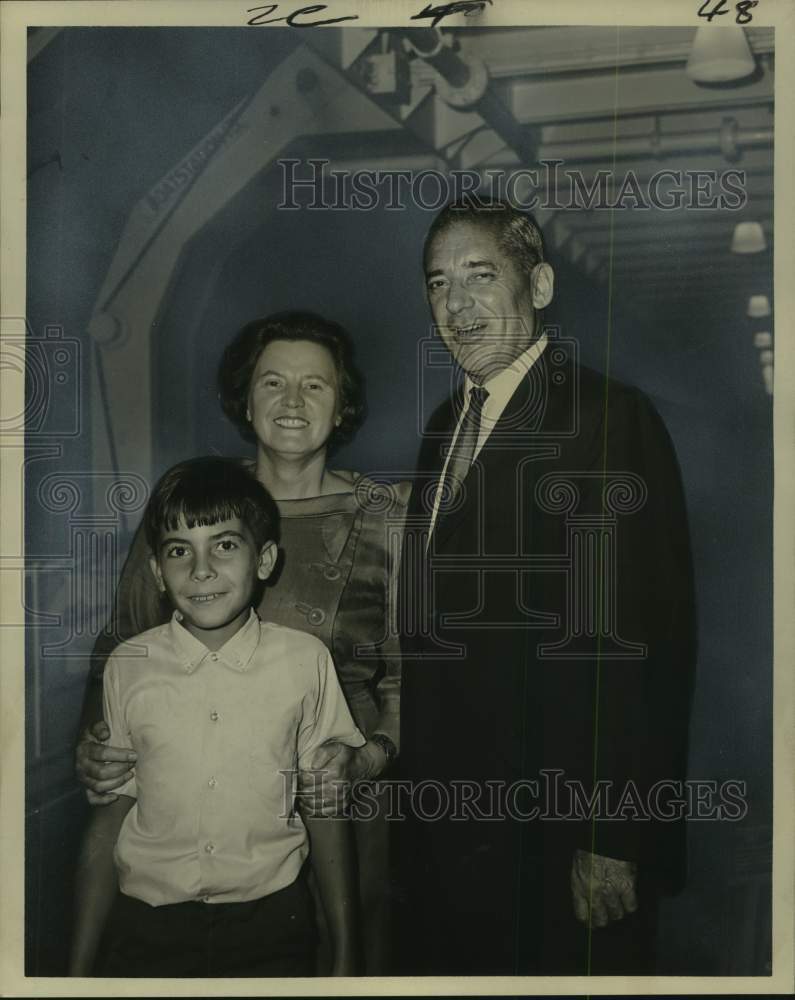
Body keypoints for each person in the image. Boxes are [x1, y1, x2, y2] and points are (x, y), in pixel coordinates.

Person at [396, 198, 696, 975]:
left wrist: (611, 837)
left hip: (558, 833)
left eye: (478, 275)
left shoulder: (605, 418)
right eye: (436, 284)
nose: (455, 306)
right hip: (448, 834)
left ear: (540, 283)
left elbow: (642, 647)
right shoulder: (443, 426)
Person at [74, 312, 409, 974]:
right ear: (243, 397)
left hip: (340, 801)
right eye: (272, 382)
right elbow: (120, 654)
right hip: (187, 805)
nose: (291, 403)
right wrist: (93, 748)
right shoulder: (198, 505)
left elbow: (417, 680)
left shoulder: (388, 517)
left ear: (342, 405)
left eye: (314, 386)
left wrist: (368, 759)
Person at [69, 457, 364, 977]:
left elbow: (326, 809)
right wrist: (77, 969)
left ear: (265, 558)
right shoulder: (128, 666)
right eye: (179, 550)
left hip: (273, 925)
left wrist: (344, 953)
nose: (201, 570)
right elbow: (108, 816)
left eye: (225, 545)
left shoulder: (305, 661)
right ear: (158, 571)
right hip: (147, 930)